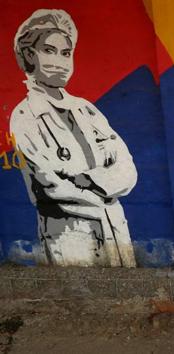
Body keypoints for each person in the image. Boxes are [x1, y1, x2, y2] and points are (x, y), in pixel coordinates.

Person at [10, 9, 137, 267]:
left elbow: (127, 169)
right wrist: (101, 193)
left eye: (66, 53)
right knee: (82, 301)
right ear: (29, 55)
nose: (60, 61)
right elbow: (49, 185)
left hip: (115, 228)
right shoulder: (24, 116)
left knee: (123, 298)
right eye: (49, 50)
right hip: (69, 235)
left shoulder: (87, 110)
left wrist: (87, 179)